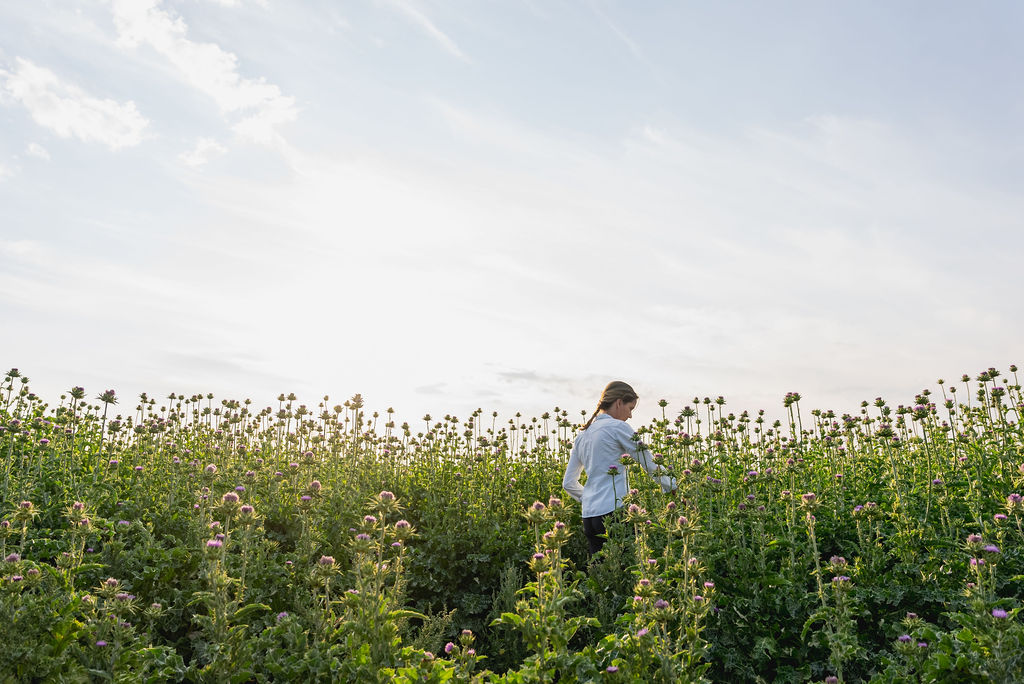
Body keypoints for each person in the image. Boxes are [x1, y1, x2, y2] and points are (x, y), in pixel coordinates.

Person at [562, 381, 676, 555]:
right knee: (627, 569)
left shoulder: (583, 435)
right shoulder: (618, 427)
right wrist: (672, 486)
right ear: (618, 402)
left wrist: (589, 498)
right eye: (630, 408)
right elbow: (648, 462)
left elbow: (568, 483)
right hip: (613, 513)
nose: (630, 416)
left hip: (589, 516)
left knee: (600, 574)